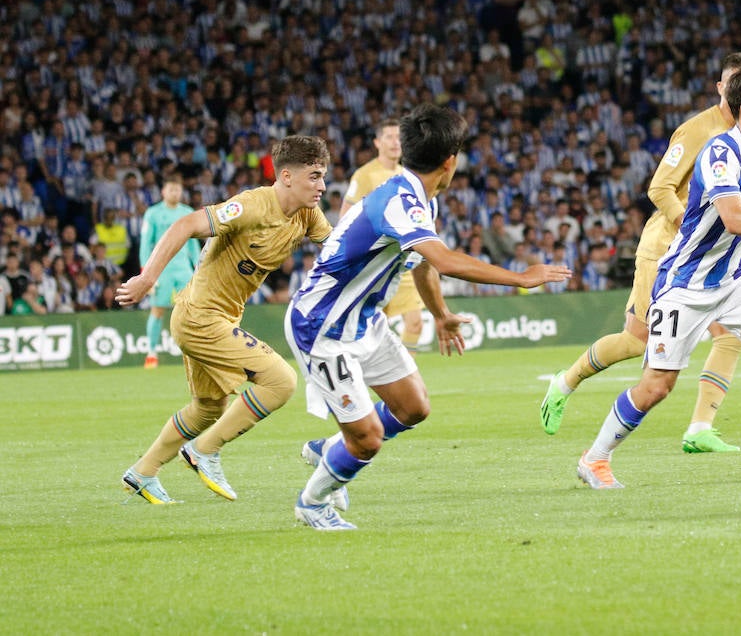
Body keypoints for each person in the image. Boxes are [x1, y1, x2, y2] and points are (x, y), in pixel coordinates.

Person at [288, 103, 570, 530]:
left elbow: (422, 265)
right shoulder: (399, 202)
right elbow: (446, 260)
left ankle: (329, 448)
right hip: (322, 326)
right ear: (450, 162)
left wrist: (440, 314)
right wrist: (520, 277)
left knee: (413, 407)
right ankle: (312, 502)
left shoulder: (421, 201)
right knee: (368, 440)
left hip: (363, 320)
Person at [575, 65, 741, 489]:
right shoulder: (719, 154)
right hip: (686, 283)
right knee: (656, 387)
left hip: (734, 278)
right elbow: (734, 218)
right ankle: (595, 459)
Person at [540, 53, 741, 454]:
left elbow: (740, 206)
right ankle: (564, 382)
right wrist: (689, 227)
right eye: (735, 84)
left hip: (709, 260)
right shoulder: (697, 130)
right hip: (667, 252)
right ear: (722, 89)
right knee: (635, 342)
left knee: (730, 336)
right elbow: (659, 187)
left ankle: (699, 428)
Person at [116, 136, 334, 505]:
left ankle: (143, 472)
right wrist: (147, 278)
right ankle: (204, 450)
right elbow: (185, 224)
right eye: (314, 176)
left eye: (323, 176)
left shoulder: (307, 214)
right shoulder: (252, 206)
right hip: (200, 317)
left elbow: (338, 251)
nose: (322, 186)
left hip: (218, 317)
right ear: (285, 176)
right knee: (281, 381)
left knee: (208, 408)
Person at [341, 119, 428, 351]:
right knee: (371, 330)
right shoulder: (364, 175)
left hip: (402, 261)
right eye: (389, 137)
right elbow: (345, 217)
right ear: (377, 142)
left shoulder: (408, 176)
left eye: (399, 137)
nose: (395, 142)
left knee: (415, 323)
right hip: (374, 264)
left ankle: (407, 372)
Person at [137, 178, 200, 369]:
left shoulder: (187, 212)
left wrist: (199, 268)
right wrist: (145, 272)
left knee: (192, 310)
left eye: (178, 190)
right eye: (171, 189)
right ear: (163, 191)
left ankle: (194, 353)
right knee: (157, 310)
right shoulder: (153, 213)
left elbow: (193, 245)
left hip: (183, 269)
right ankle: (151, 353)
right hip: (162, 269)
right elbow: (145, 244)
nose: (175, 193)